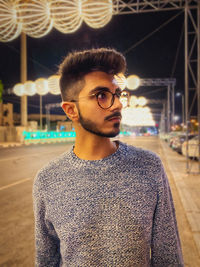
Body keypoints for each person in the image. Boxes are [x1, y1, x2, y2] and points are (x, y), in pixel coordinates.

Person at [33, 48, 184, 266]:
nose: (118, 104)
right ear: (71, 110)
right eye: (102, 95)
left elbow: (168, 258)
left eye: (118, 94)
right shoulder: (47, 179)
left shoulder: (149, 167)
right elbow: (47, 261)